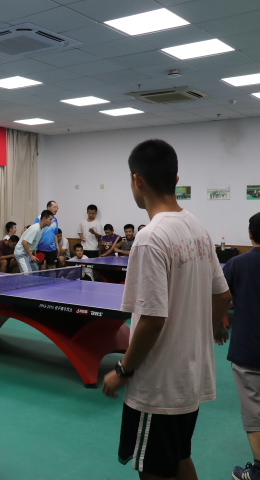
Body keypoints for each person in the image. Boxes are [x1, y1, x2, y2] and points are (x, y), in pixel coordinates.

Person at [102, 139, 231, 480]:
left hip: (159, 386)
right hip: (191, 379)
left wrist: (123, 370)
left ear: (137, 180)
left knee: (154, 471)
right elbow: (222, 295)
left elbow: (152, 321)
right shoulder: (198, 228)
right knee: (179, 457)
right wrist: (213, 327)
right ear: (175, 179)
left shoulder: (150, 238)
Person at [223, 212, 260, 480]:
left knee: (254, 411)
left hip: (249, 350)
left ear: (250, 234)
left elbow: (220, 298)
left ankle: (258, 471)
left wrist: (217, 325)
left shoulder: (236, 264)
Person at [34, 201, 59, 269]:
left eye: (57, 208)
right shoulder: (39, 218)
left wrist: (57, 246)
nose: (56, 209)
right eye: (55, 207)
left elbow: (55, 234)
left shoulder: (55, 220)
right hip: (40, 248)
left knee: (52, 268)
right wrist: (35, 247)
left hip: (52, 248)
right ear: (49, 207)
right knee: (38, 267)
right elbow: (35, 232)